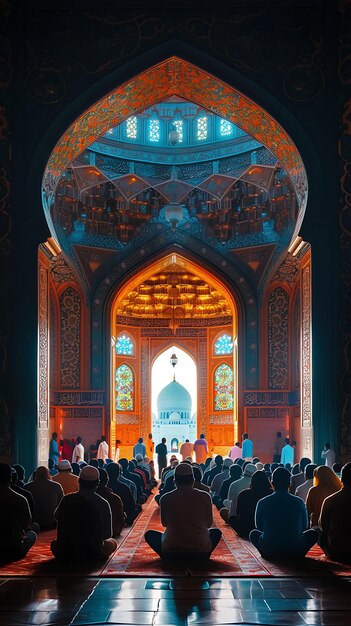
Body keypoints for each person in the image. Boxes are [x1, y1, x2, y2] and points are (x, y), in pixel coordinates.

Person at [144, 462, 222, 559]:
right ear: (193, 480)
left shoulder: (165, 498)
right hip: (200, 549)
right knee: (216, 532)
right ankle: (200, 558)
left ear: (175, 481)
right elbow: (208, 524)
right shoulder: (205, 496)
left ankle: (170, 558)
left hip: (172, 550)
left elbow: (165, 524)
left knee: (150, 534)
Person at [250, 467, 318, 560]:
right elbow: (304, 526)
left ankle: (267, 554)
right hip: (295, 549)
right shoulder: (299, 502)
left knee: (253, 533)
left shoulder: (262, 502)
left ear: (272, 483)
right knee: (313, 533)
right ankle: (298, 555)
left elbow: (259, 528)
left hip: (271, 549)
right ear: (289, 484)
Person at [51, 465, 117, 561]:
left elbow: (56, 516)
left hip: (66, 551)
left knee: (54, 544)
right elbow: (108, 534)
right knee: (112, 542)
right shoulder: (102, 503)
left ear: (79, 481)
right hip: (92, 552)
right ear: (97, 483)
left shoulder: (67, 499)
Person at [0, 463, 37, 560]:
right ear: (11, 479)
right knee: (33, 533)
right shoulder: (20, 499)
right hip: (14, 550)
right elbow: (26, 524)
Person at [319, 462, 351, 562]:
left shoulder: (330, 500)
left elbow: (323, 527)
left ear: (341, 479)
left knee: (315, 531)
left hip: (337, 552)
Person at [228, 469, 273, 538]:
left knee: (231, 518)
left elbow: (238, 513)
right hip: (265, 530)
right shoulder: (271, 494)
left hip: (244, 530)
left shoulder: (243, 494)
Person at [96, 468, 125, 537]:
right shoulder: (114, 498)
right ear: (107, 481)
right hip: (109, 534)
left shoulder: (73, 499)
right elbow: (121, 521)